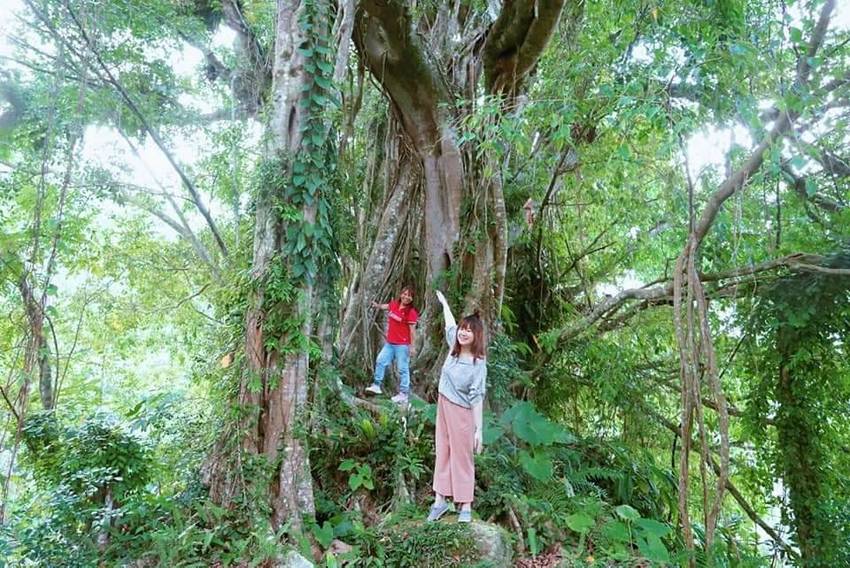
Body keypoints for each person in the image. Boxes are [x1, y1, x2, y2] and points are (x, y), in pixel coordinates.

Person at [427, 290, 487, 523]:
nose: (463, 333)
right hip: (443, 406)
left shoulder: (478, 363)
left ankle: (465, 505)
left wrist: (478, 430)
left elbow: (477, 396)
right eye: (463, 329)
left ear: (476, 336)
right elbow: (450, 324)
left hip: (463, 413)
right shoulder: (454, 346)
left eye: (469, 331)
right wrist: (444, 304)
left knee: (462, 457)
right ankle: (440, 501)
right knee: (443, 451)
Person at [365, 286, 418, 404]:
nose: (406, 297)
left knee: (402, 368)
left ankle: (404, 394)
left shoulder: (411, 312)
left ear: (412, 298)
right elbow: (386, 306)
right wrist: (377, 305)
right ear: (401, 294)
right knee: (380, 360)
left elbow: (412, 331)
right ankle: (376, 385)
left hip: (402, 345)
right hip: (390, 343)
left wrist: (412, 346)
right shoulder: (394, 304)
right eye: (404, 294)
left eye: (409, 295)